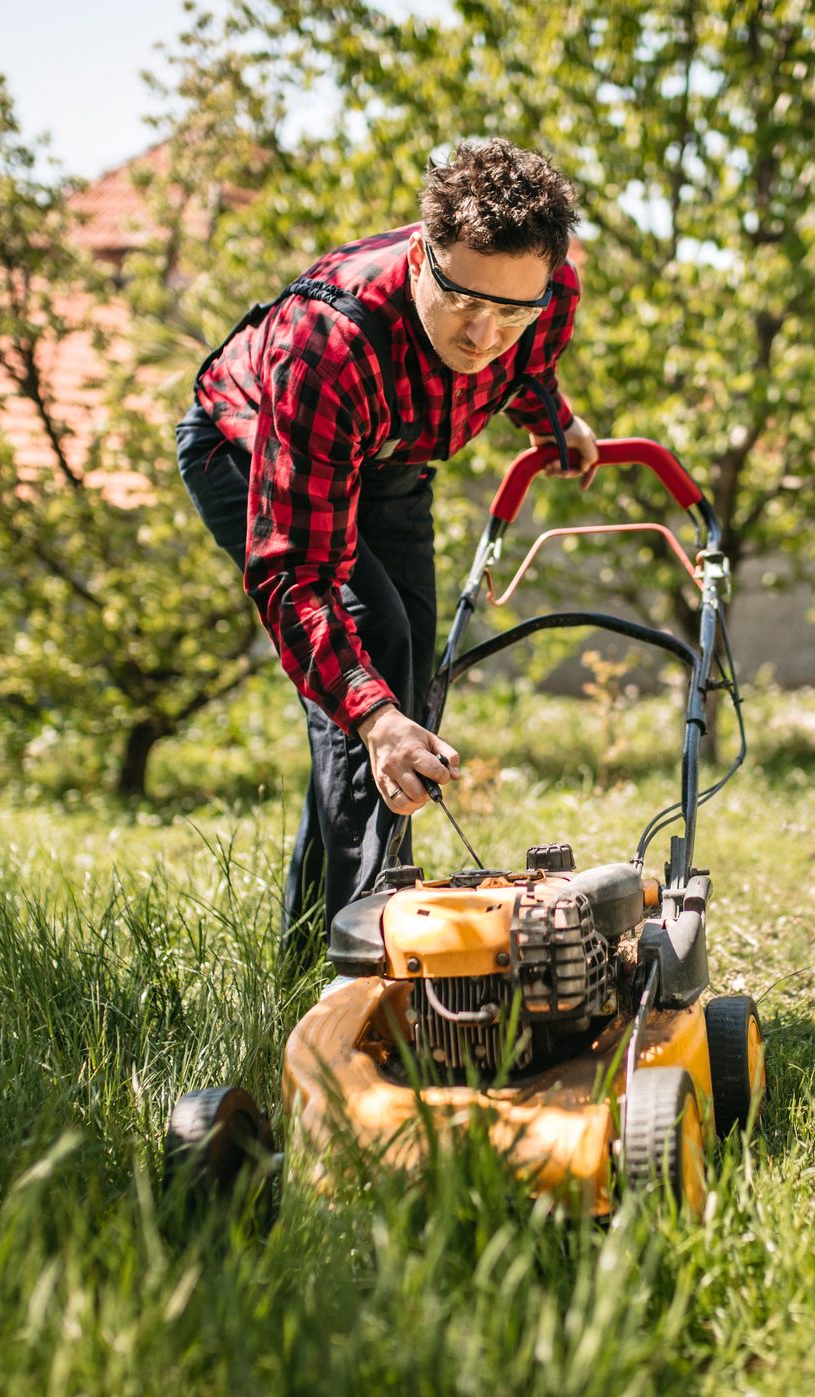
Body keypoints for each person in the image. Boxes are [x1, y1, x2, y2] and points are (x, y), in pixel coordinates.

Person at [174, 139, 600, 951]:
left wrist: (559, 425)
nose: (483, 335)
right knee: (373, 684)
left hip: (391, 461)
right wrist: (372, 719)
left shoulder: (543, 294)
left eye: (512, 311)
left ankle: (316, 936)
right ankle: (357, 958)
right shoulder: (326, 342)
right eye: (463, 301)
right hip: (257, 450)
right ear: (419, 255)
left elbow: (526, 368)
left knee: (404, 683)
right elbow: (295, 574)